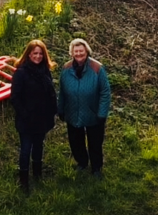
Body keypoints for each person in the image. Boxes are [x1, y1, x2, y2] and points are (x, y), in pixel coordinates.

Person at [58, 38, 111, 177]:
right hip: (72, 112)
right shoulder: (66, 68)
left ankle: (96, 168)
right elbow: (62, 90)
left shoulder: (97, 68)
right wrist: (61, 109)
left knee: (95, 143)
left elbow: (105, 92)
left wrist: (102, 113)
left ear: (86, 51)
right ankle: (82, 162)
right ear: (71, 53)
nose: (79, 54)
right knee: (75, 141)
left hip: (93, 113)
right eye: (76, 51)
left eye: (81, 51)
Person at [10, 39, 58, 192]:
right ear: (28, 54)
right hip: (26, 119)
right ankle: (23, 180)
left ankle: (38, 174)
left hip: (42, 118)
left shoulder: (45, 71)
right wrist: (24, 114)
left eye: (40, 54)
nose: (38, 56)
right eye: (35, 53)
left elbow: (51, 93)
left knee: (39, 146)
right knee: (25, 149)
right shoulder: (21, 73)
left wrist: (53, 111)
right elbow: (15, 97)